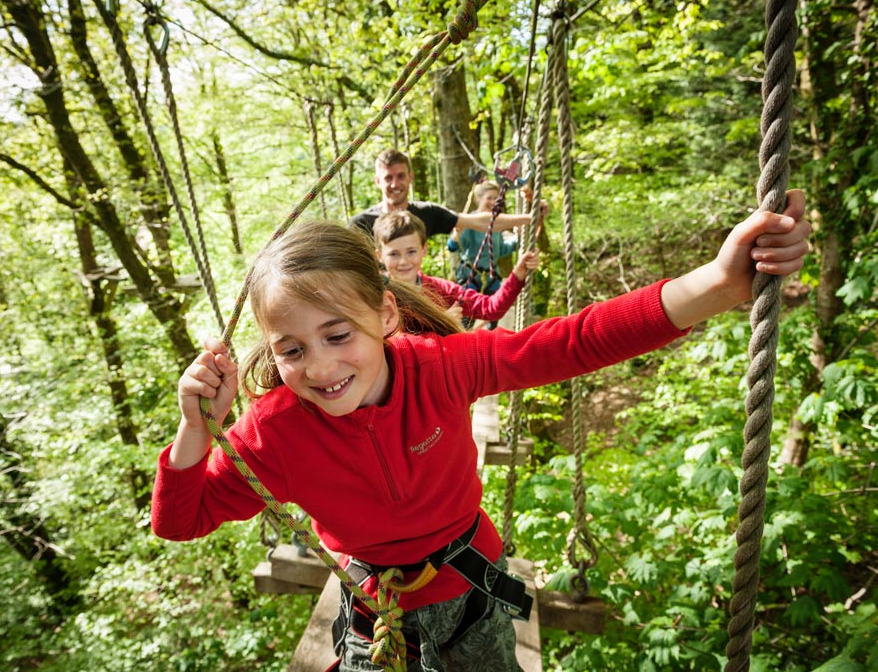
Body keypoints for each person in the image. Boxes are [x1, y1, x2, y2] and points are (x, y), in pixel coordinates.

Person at [152, 189, 810, 672]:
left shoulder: (441, 368)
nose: (320, 368)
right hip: (373, 610)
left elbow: (571, 342)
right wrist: (195, 430)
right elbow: (182, 520)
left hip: (470, 587)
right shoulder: (275, 432)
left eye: (338, 335)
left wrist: (716, 284)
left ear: (386, 315)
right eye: (291, 350)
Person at [374, 210, 539, 329]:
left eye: (411, 252)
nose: (403, 261)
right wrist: (440, 322)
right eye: (394, 254)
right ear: (379, 256)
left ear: (424, 250)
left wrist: (517, 275)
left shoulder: (442, 289)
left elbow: (491, 308)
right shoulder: (375, 296)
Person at [348, 148, 532, 240]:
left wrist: (529, 218)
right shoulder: (361, 224)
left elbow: (479, 221)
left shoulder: (426, 213)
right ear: (378, 181)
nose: (395, 184)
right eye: (388, 178)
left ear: (411, 177)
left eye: (401, 176)